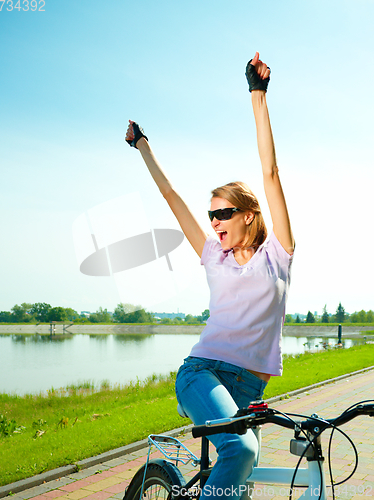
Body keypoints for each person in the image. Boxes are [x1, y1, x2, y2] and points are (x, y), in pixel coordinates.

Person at [125, 51, 294, 500]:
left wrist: (258, 96)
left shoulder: (278, 254)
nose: (214, 220)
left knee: (240, 482)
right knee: (240, 451)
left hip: (249, 384)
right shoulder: (211, 255)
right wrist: (144, 147)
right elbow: (169, 194)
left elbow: (271, 174)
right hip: (203, 373)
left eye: (223, 212)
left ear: (249, 214)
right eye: (210, 213)